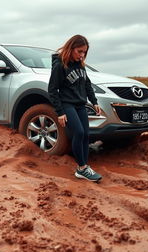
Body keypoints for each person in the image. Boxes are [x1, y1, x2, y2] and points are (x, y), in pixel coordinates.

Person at [48, 34, 102, 182]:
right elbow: (52, 90)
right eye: (79, 51)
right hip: (67, 105)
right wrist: (60, 112)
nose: (82, 55)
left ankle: (84, 167)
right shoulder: (60, 66)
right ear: (71, 49)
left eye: (84, 52)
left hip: (80, 105)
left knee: (86, 134)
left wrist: (94, 101)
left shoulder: (80, 65)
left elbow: (87, 84)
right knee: (78, 132)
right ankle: (82, 168)